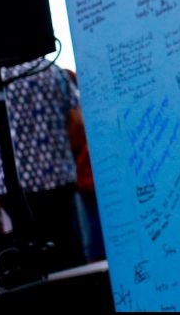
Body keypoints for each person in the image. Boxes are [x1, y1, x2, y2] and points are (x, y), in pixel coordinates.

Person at [0, 58, 87, 276]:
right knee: (67, 257)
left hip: (12, 185)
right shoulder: (52, 70)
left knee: (27, 263)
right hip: (60, 179)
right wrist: (56, 151)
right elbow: (77, 121)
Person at [64, 68, 106, 263]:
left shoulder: (78, 111)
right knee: (95, 217)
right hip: (88, 170)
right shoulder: (86, 106)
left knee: (92, 218)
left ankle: (95, 257)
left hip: (82, 171)